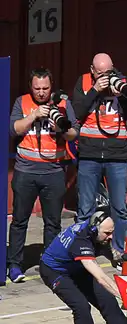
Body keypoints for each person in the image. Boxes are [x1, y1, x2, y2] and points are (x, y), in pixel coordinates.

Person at [39, 206, 127, 324]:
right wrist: (124, 296)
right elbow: (101, 277)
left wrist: (125, 258)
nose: (111, 237)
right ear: (94, 230)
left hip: (76, 267)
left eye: (112, 232)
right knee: (81, 307)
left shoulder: (98, 231)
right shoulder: (81, 240)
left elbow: (110, 252)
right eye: (107, 233)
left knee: (107, 301)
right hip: (54, 272)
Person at [7, 67, 78, 283]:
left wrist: (61, 128)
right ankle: (15, 265)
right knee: (20, 220)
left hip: (54, 171)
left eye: (45, 88)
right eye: (37, 88)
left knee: (53, 222)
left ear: (51, 86)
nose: (41, 92)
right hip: (25, 170)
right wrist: (34, 115)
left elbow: (74, 133)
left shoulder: (63, 103)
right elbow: (14, 129)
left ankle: (51, 265)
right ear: (31, 87)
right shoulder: (22, 102)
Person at [71, 52, 127, 267]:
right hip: (90, 154)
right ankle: (83, 251)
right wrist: (95, 91)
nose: (105, 76)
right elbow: (77, 112)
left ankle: (118, 251)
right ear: (92, 71)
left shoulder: (122, 82)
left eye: (108, 72)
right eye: (100, 73)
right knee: (85, 208)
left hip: (116, 155)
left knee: (119, 206)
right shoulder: (83, 82)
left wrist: (122, 95)